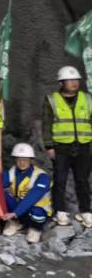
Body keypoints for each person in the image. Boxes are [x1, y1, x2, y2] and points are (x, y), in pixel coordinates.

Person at [41, 65, 92, 228]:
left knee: (83, 180)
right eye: (69, 80)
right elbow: (46, 124)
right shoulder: (52, 99)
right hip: (61, 147)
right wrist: (49, 145)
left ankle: (85, 211)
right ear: (61, 83)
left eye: (75, 79)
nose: (73, 83)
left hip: (83, 145)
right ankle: (60, 211)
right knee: (60, 180)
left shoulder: (87, 98)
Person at [2, 142, 52, 243]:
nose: (22, 163)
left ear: (31, 160)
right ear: (15, 160)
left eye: (25, 160)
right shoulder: (10, 172)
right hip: (20, 206)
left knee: (37, 214)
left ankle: (35, 229)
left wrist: (16, 212)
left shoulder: (42, 176)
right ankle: (15, 222)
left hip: (36, 207)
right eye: (19, 159)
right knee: (1, 195)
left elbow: (33, 196)